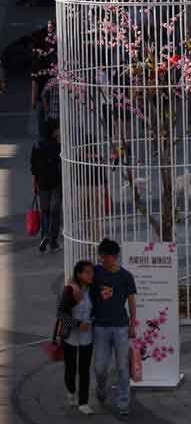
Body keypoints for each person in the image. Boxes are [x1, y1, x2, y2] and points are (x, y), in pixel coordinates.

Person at [91, 239, 137, 416]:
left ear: (114, 257)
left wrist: (132, 324)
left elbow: (132, 302)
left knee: (122, 367)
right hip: (100, 327)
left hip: (120, 327)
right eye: (100, 256)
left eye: (105, 256)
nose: (102, 259)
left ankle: (123, 402)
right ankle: (101, 388)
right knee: (100, 366)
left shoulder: (126, 276)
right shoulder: (95, 272)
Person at [57, 260, 95, 414]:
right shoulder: (70, 290)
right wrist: (78, 324)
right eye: (87, 272)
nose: (91, 275)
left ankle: (83, 402)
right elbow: (60, 313)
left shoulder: (92, 289)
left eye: (92, 272)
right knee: (71, 369)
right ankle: (71, 390)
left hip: (87, 336)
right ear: (79, 274)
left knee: (85, 369)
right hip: (71, 336)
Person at [31, 118, 62, 253]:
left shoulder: (37, 145)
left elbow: (33, 167)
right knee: (55, 210)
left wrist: (35, 184)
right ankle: (52, 239)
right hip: (55, 181)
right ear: (53, 131)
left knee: (45, 211)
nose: (58, 131)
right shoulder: (57, 145)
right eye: (57, 129)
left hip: (42, 182)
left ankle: (45, 236)